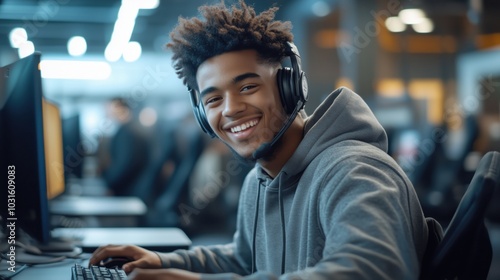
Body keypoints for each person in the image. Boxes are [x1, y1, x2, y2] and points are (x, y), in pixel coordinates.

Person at [90, 1, 432, 279]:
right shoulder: (260, 180)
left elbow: (373, 271)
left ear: (290, 86)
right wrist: (165, 263)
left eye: (248, 87)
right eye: (212, 100)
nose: (232, 109)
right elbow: (244, 260)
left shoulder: (353, 171)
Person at [98, 97, 151, 197]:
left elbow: (123, 165)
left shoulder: (127, 133)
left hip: (130, 190)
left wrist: (110, 184)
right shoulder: (131, 128)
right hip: (133, 188)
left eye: (111, 108)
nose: (108, 112)